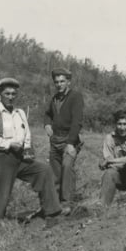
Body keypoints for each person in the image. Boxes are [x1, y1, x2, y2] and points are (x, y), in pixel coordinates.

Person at [0, 78, 62, 221]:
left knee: (43, 170)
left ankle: (52, 212)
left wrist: (28, 148)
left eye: (13, 94)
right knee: (1, 191)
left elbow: (27, 132)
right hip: (0, 157)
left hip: (19, 157)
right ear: (0, 94)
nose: (11, 97)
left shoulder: (20, 113)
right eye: (7, 94)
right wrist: (8, 144)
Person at [44, 68, 84, 205]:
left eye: (62, 81)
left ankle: (67, 202)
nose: (59, 84)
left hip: (69, 139)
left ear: (68, 82)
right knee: (54, 172)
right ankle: (55, 202)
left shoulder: (75, 97)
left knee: (67, 166)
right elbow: (47, 114)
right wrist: (47, 125)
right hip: (55, 140)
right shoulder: (54, 98)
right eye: (56, 82)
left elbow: (77, 121)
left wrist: (71, 143)